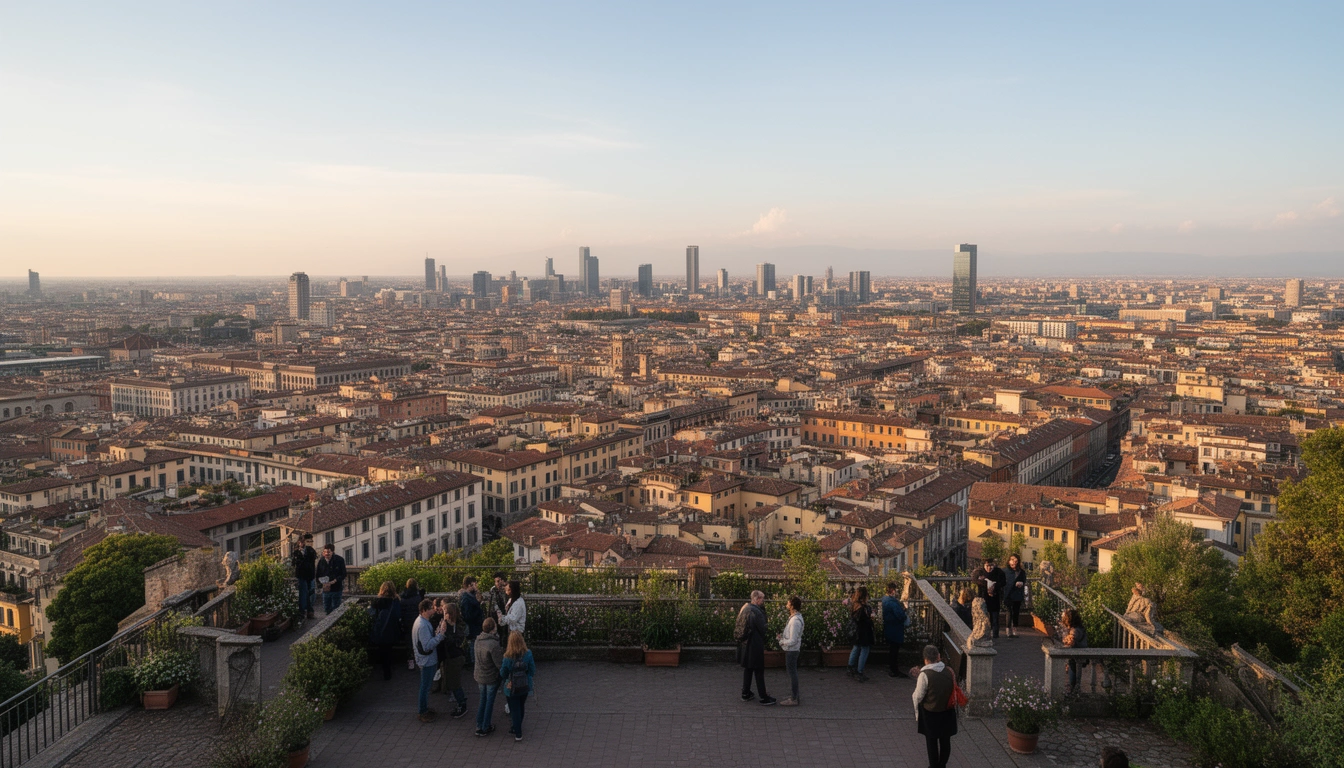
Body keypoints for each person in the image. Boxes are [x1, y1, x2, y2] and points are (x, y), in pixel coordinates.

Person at [912, 645, 958, 768]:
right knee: (945, 741)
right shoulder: (949, 671)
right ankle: (942, 765)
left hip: (930, 713)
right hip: (947, 711)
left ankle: (933, 766)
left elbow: (918, 696)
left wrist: (917, 714)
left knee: (931, 742)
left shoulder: (925, 675)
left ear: (925, 659)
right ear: (938, 656)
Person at [734, 590, 776, 705]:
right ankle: (763, 697)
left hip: (745, 644)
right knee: (758, 670)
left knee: (748, 669)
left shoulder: (745, 608)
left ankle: (745, 693)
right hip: (755, 644)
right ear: (757, 599)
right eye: (762, 598)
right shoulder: (756, 612)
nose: (763, 601)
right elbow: (763, 628)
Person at [412, 598, 448, 722]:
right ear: (423, 611)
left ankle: (424, 708)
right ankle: (422, 711)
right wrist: (441, 635)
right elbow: (427, 645)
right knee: (425, 687)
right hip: (427, 660)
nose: (433, 611)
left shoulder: (421, 622)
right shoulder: (422, 625)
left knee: (425, 686)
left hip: (425, 659)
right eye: (430, 609)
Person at [499, 631, 535, 742]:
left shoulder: (507, 657)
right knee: (521, 706)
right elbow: (532, 670)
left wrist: (506, 680)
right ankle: (517, 726)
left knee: (514, 709)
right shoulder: (528, 654)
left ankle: (517, 731)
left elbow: (503, 673)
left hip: (511, 686)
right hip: (524, 685)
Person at [435, 601, 469, 718]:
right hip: (448, 657)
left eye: (445, 612)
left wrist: (445, 633)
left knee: (455, 683)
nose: (443, 614)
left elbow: (457, 642)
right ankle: (460, 699)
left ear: (450, 614)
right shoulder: (445, 623)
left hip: (456, 657)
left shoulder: (459, 626)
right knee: (451, 681)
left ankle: (462, 704)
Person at [497, 581, 526, 715]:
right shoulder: (513, 600)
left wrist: (502, 618)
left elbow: (513, 619)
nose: (506, 592)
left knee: (514, 662)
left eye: (508, 590)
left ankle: (513, 691)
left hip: (516, 634)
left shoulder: (519, 603)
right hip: (512, 633)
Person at [473, 617, 504, 737]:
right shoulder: (493, 644)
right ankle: (485, 726)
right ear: (493, 629)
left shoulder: (478, 640)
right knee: (489, 702)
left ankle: (479, 724)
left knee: (483, 700)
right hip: (491, 677)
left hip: (480, 675)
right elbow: (499, 664)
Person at [369, 581, 402, 681]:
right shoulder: (396, 601)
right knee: (389, 650)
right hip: (392, 629)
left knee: (382, 651)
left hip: (380, 629)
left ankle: (385, 671)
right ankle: (388, 671)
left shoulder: (377, 602)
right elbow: (398, 615)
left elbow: (371, 615)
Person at [776, 595, 803, 706]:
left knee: (792, 673)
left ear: (792, 605)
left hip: (792, 650)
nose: (786, 605)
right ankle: (794, 696)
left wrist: (782, 642)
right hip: (792, 649)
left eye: (788, 603)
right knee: (792, 673)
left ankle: (794, 698)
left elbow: (793, 640)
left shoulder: (795, 621)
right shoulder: (795, 618)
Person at [973, 557, 1007, 639]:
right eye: (987, 566)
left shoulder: (999, 572)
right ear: (984, 565)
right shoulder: (979, 572)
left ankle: (995, 634)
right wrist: (985, 583)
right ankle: (983, 634)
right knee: (983, 617)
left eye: (991, 566)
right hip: (983, 597)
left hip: (995, 598)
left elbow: (1003, 582)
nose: (989, 568)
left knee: (995, 617)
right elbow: (974, 579)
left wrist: (994, 586)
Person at [881, 581, 908, 677]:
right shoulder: (892, 602)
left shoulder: (885, 600)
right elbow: (900, 616)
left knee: (892, 650)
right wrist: (904, 610)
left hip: (889, 627)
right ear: (893, 590)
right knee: (894, 651)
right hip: (895, 628)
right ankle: (894, 670)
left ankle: (892, 669)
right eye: (896, 590)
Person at [848, 586, 875, 682]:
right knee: (864, 650)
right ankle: (860, 671)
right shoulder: (862, 608)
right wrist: (871, 618)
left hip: (857, 632)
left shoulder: (855, 605)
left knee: (856, 648)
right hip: (864, 632)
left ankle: (850, 667)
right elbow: (864, 620)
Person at [400, 579, 426, 670]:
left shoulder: (402, 596)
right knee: (419, 639)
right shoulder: (418, 597)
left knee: (409, 641)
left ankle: (410, 660)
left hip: (406, 621)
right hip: (416, 621)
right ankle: (419, 659)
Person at [1060, 608, 1088, 694]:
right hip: (1079, 654)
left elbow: (1071, 639)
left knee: (1073, 668)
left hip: (1077, 655)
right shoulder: (1079, 628)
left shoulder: (1076, 630)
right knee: (1073, 669)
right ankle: (1073, 688)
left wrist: (1065, 640)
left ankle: (1073, 688)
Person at [290, 534, 318, 619]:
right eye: (307, 541)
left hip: (310, 575)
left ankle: (308, 610)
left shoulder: (311, 551)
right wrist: (299, 556)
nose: (309, 543)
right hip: (301, 576)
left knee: (310, 593)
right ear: (300, 542)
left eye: (311, 541)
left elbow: (311, 560)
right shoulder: (296, 552)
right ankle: (305, 611)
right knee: (304, 592)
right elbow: (294, 564)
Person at [315, 544, 346, 614]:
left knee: (336, 609)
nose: (326, 554)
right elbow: (318, 575)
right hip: (326, 590)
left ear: (332, 552)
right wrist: (322, 584)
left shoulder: (339, 560)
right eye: (325, 552)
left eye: (328, 552)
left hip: (336, 589)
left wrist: (334, 581)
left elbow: (343, 574)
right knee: (327, 609)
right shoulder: (321, 561)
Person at [460, 576, 484, 666]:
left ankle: (473, 662)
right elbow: (468, 616)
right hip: (472, 626)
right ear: (469, 585)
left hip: (475, 626)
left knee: (473, 644)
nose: (476, 586)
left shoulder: (470, 596)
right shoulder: (466, 598)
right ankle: (473, 663)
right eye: (474, 584)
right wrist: (478, 605)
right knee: (473, 644)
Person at [1003, 554, 1028, 638]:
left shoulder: (1021, 572)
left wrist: (1021, 583)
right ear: (1009, 561)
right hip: (1008, 594)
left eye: (1016, 560)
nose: (1014, 562)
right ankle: (1007, 629)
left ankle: (1015, 629)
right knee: (1009, 611)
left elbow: (1024, 580)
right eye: (1012, 560)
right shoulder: (1005, 571)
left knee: (1016, 612)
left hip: (1017, 594)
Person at [488, 572, 510, 642]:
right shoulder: (494, 591)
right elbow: (492, 604)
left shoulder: (507, 591)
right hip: (496, 616)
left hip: (505, 616)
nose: (497, 584)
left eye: (498, 581)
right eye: (496, 582)